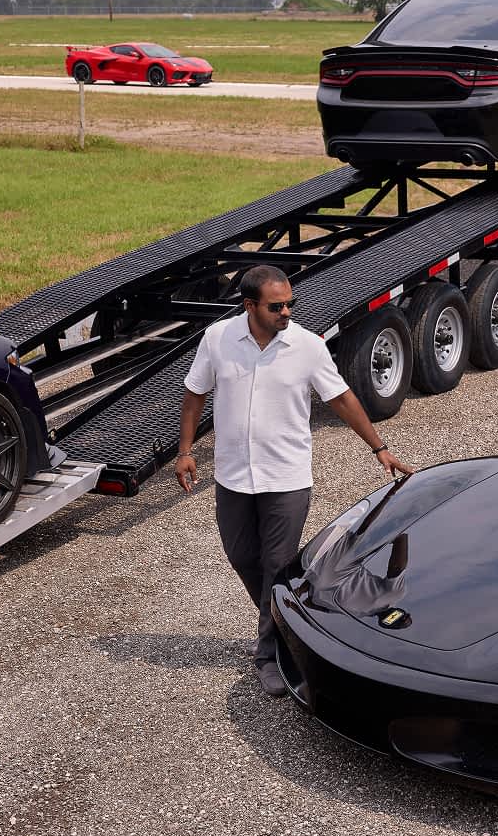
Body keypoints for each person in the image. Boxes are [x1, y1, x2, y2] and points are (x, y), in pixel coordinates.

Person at [175, 265, 414, 697]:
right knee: (241, 554)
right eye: (276, 305)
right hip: (232, 476)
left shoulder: (306, 346)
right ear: (249, 306)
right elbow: (195, 393)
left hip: (286, 477)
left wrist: (379, 448)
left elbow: (341, 397)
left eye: (291, 304)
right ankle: (288, 621)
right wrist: (185, 450)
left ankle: (268, 655)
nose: (287, 311)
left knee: (276, 564)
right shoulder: (218, 340)